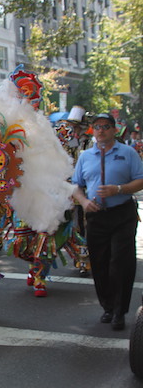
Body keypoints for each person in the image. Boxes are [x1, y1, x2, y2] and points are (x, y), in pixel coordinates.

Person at [72, 113, 143, 331]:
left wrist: (119, 189)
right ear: (93, 130)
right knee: (100, 264)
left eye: (105, 126)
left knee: (120, 264)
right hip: (96, 215)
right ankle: (108, 307)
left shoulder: (128, 153)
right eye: (97, 127)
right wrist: (83, 202)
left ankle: (120, 311)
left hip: (122, 214)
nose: (101, 130)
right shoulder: (85, 156)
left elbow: (141, 180)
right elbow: (76, 185)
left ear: (113, 130)